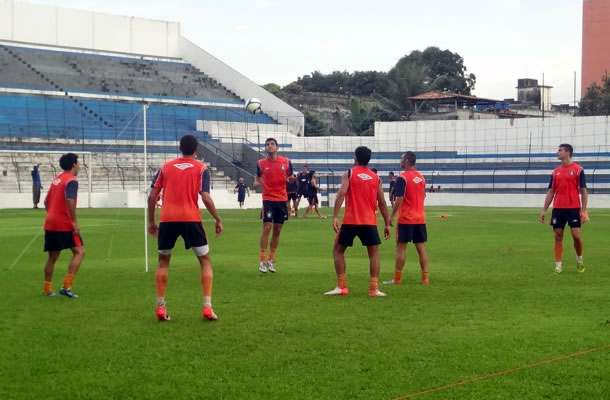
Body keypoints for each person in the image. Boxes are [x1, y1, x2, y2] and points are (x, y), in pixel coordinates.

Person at [148, 134, 224, 321]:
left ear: (179, 148)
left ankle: (160, 306)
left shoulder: (165, 167)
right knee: (205, 261)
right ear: (196, 149)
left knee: (163, 262)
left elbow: (152, 196)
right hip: (191, 219)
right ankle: (207, 307)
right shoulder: (201, 168)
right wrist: (218, 219)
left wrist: (151, 221)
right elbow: (205, 197)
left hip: (167, 219)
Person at [325, 146, 391, 297]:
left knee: (338, 250)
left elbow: (341, 194)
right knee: (373, 254)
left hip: (350, 220)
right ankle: (374, 289)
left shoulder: (349, 173)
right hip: (369, 221)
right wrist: (387, 223)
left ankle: (342, 286)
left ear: (355, 158)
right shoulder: (376, 178)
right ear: (369, 159)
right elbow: (382, 202)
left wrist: (335, 216)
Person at [539, 143, 588, 274]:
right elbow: (551, 191)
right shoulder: (555, 172)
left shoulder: (578, 170)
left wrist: (583, 210)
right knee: (558, 236)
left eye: (560, 150)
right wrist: (544, 210)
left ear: (567, 152)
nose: (557, 153)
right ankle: (558, 266)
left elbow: (583, 191)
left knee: (576, 235)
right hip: (558, 209)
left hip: (573, 208)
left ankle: (579, 260)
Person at [42, 153, 85, 298]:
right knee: (79, 252)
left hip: (51, 223)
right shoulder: (71, 180)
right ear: (73, 164)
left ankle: (48, 289)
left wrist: (52, 215)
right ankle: (67, 287)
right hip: (65, 224)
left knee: (53, 256)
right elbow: (70, 200)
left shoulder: (57, 179)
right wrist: (74, 221)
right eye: (78, 162)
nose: (79, 165)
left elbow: (46, 202)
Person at [383, 151, 430, 286]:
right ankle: (425, 278)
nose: (400, 161)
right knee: (421, 248)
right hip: (420, 218)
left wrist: (391, 216)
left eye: (402, 159)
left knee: (401, 248)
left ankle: (397, 279)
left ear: (407, 161)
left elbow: (400, 198)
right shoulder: (421, 177)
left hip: (406, 218)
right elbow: (423, 196)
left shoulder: (402, 178)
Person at [253, 137, 293, 273]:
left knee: (277, 230)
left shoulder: (286, 162)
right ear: (265, 148)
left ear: (277, 147)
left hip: (281, 199)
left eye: (272, 144)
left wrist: (290, 179)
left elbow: (289, 176)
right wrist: (256, 182)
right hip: (268, 199)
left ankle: (271, 259)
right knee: (267, 227)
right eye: (267, 144)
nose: (269, 146)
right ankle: (262, 260)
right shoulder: (261, 163)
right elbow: (258, 175)